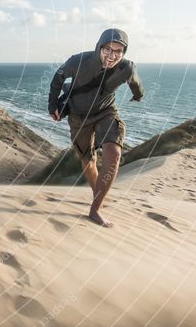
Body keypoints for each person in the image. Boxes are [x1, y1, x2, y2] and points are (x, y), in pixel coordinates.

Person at [48, 29, 144, 227]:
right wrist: (52, 107)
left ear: (124, 53)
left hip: (105, 112)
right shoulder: (77, 61)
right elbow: (57, 80)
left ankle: (95, 210)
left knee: (114, 153)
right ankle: (97, 193)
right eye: (108, 49)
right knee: (88, 160)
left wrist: (138, 96)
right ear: (99, 47)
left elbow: (135, 83)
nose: (112, 55)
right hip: (78, 117)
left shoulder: (126, 67)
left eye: (118, 51)